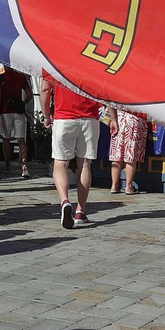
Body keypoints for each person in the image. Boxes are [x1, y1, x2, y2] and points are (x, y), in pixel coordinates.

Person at [43, 73, 98, 229]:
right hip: (90, 118)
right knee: (85, 165)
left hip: (63, 117)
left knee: (61, 164)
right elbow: (105, 89)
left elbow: (45, 89)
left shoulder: (50, 59)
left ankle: (65, 201)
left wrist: (46, 115)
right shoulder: (91, 57)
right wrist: (112, 117)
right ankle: (80, 211)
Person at [0, 65, 32, 178]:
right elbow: (29, 95)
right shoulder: (21, 77)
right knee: (21, 139)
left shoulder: (0, 78)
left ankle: (7, 165)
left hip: (5, 110)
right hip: (18, 111)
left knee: (6, 139)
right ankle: (24, 166)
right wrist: (22, 104)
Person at [107, 109, 148, 194]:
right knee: (130, 154)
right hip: (135, 116)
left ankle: (114, 185)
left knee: (117, 154)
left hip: (119, 117)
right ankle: (129, 186)